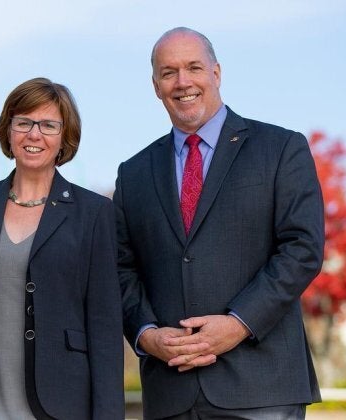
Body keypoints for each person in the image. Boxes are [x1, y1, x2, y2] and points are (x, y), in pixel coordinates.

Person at [114, 27, 325, 419]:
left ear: (217, 72)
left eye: (194, 67)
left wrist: (239, 323)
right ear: (155, 86)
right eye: (168, 72)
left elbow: (302, 249)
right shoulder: (133, 173)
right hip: (170, 392)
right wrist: (146, 334)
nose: (183, 82)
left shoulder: (280, 148)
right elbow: (121, 269)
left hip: (262, 387)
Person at [0, 77, 124, 419]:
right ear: (8, 130)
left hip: (60, 406)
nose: (34, 134)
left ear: (64, 136)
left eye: (48, 125)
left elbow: (105, 330)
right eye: (24, 123)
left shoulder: (93, 213)